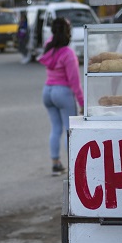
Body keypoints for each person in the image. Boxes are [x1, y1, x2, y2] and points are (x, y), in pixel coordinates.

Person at [38, 17, 83, 175]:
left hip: (47, 91)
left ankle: (55, 163)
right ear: (68, 33)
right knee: (69, 130)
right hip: (62, 93)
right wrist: (82, 103)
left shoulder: (48, 47)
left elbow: (53, 39)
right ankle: (73, 168)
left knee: (56, 129)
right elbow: (75, 83)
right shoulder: (68, 54)